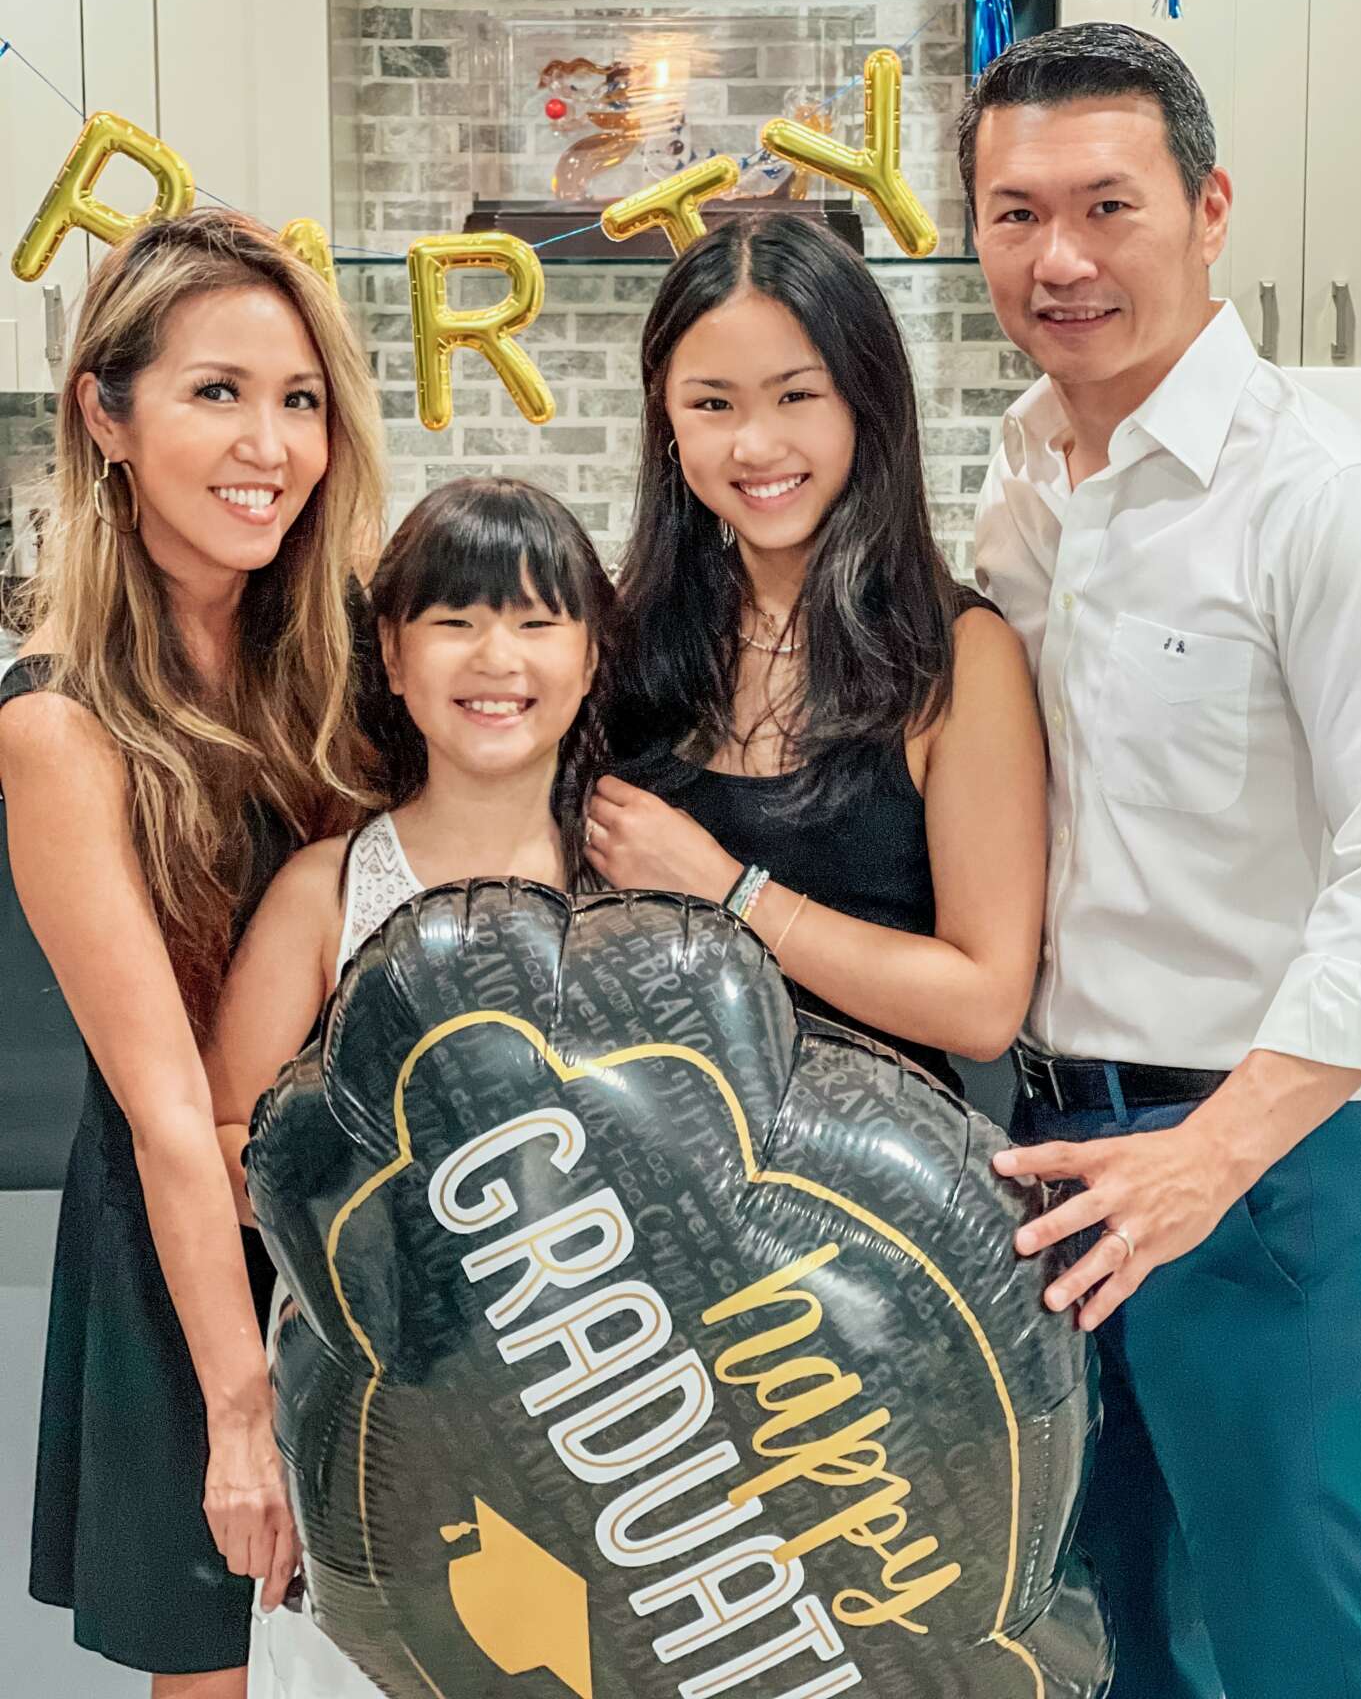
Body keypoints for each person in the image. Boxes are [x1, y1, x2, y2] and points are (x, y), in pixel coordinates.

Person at [965, 22, 1361, 1699]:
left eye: (1109, 205)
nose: (1062, 258)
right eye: (1017, 214)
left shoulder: (1332, 502)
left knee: (1299, 1645)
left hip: (1262, 1162)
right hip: (1049, 1154)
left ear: (1210, 207)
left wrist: (1211, 1157)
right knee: (1102, 1633)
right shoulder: (1021, 477)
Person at [0, 210, 385, 1697]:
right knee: (223, 1659)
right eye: (215, 392)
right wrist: (237, 1410)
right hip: (190, 1263)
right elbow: (170, 1116)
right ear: (107, 415)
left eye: (299, 400)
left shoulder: (343, 662)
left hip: (370, 1229)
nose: (267, 446)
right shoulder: (61, 723)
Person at [206, 477, 613, 1699]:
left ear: (593, 654)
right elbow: (228, 1134)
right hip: (370, 1423)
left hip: (614, 1417)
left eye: (538, 622)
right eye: (454, 622)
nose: (498, 659)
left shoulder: (648, 883)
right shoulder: (326, 891)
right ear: (390, 653)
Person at [592, 212, 1047, 1075]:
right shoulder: (626, 638)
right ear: (667, 424)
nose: (756, 444)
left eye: (797, 396)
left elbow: (984, 1004)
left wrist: (726, 891)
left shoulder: (957, 656)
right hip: (650, 1146)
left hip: (878, 1149)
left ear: (864, 402)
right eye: (712, 404)